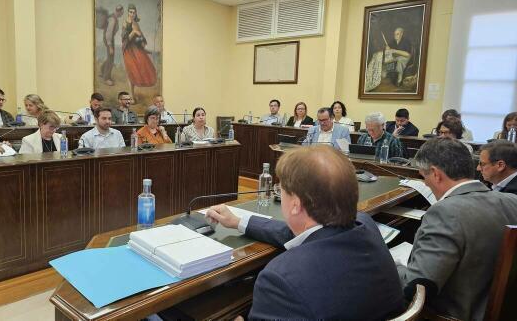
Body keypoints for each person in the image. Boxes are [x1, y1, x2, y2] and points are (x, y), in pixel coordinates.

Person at [205, 146, 405, 320]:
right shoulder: (365, 224)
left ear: (295, 205)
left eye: (280, 189)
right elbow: (293, 233)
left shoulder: (280, 279)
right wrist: (238, 222)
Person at [396, 137, 517, 320]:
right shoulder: (512, 201)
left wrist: (390, 266)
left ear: (436, 174)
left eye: (424, 176)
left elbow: (416, 288)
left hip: (452, 315)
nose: (425, 183)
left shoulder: (445, 213)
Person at [122, 4, 157, 101]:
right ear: (128, 12)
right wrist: (133, 32)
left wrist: (141, 40)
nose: (132, 14)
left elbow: (141, 36)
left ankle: (132, 96)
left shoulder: (135, 23)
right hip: (128, 50)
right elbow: (125, 40)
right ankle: (132, 97)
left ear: (135, 13)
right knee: (131, 72)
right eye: (130, 12)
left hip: (137, 48)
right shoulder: (125, 23)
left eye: (134, 12)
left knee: (140, 69)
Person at [101, 5, 124, 86]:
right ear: (119, 11)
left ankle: (103, 72)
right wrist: (110, 46)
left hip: (109, 39)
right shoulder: (112, 19)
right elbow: (109, 33)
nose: (122, 14)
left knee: (109, 57)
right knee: (111, 58)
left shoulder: (113, 18)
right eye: (122, 12)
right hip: (109, 39)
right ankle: (106, 78)